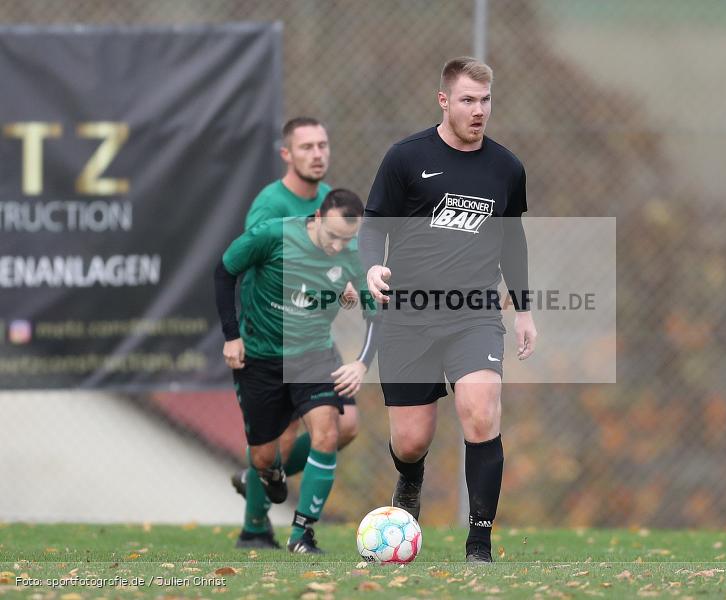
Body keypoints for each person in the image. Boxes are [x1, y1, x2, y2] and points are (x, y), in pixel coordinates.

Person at [359, 57, 537, 563]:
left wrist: (524, 310)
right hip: (408, 314)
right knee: (411, 440)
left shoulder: (506, 167)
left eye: (485, 101)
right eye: (467, 100)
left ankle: (478, 543)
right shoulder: (405, 158)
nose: (478, 111)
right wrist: (371, 268)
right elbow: (373, 227)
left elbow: (513, 240)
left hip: (473, 312)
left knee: (480, 411)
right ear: (444, 100)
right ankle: (409, 479)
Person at [215, 189, 376, 553]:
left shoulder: (351, 255)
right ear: (316, 218)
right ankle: (265, 483)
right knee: (263, 456)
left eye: (346, 239)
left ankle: (302, 534)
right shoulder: (272, 235)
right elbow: (224, 272)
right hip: (261, 357)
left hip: (313, 356)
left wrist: (361, 362)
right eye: (333, 236)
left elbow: (375, 314)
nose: (338, 246)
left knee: (329, 432)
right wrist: (231, 336)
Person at [231, 117, 362, 549]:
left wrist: (347, 285)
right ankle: (255, 524)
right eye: (306, 147)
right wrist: (241, 334)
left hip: (314, 342)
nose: (318, 154)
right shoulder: (270, 206)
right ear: (287, 154)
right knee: (279, 440)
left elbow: (348, 262)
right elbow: (246, 272)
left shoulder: (331, 202)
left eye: (323, 145)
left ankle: (263, 477)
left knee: (346, 426)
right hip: (270, 342)